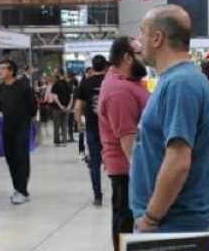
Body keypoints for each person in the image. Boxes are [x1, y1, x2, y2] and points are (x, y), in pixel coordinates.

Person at [131, 5, 209, 233]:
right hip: (170, 221)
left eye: (142, 32)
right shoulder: (175, 80)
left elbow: (178, 161)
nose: (139, 40)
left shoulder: (180, 84)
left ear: (157, 38)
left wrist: (151, 217)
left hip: (172, 224)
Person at [98, 37, 150, 250]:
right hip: (128, 170)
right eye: (140, 53)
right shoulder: (119, 91)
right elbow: (128, 141)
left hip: (129, 169)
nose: (144, 57)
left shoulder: (127, 82)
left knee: (125, 220)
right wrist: (143, 176)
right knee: (126, 222)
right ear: (128, 58)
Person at [0, 59, 36, 205]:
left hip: (22, 126)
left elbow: (33, 106)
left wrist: (24, 118)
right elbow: (0, 107)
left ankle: (22, 190)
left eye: (2, 68)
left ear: (11, 71)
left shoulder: (23, 87)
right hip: (7, 126)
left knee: (21, 157)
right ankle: (17, 187)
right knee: (10, 158)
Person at [76, 55, 109, 206]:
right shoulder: (111, 82)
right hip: (111, 129)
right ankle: (121, 194)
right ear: (106, 66)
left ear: (93, 67)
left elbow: (78, 108)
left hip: (92, 128)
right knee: (116, 162)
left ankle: (98, 196)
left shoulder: (85, 84)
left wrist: (79, 124)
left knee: (94, 163)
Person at [52, 72, 74, 146]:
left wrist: (60, 106)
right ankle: (64, 141)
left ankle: (57, 142)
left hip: (57, 108)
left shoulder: (55, 84)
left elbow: (55, 97)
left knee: (56, 125)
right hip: (66, 108)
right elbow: (71, 97)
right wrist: (68, 106)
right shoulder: (69, 85)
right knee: (64, 125)